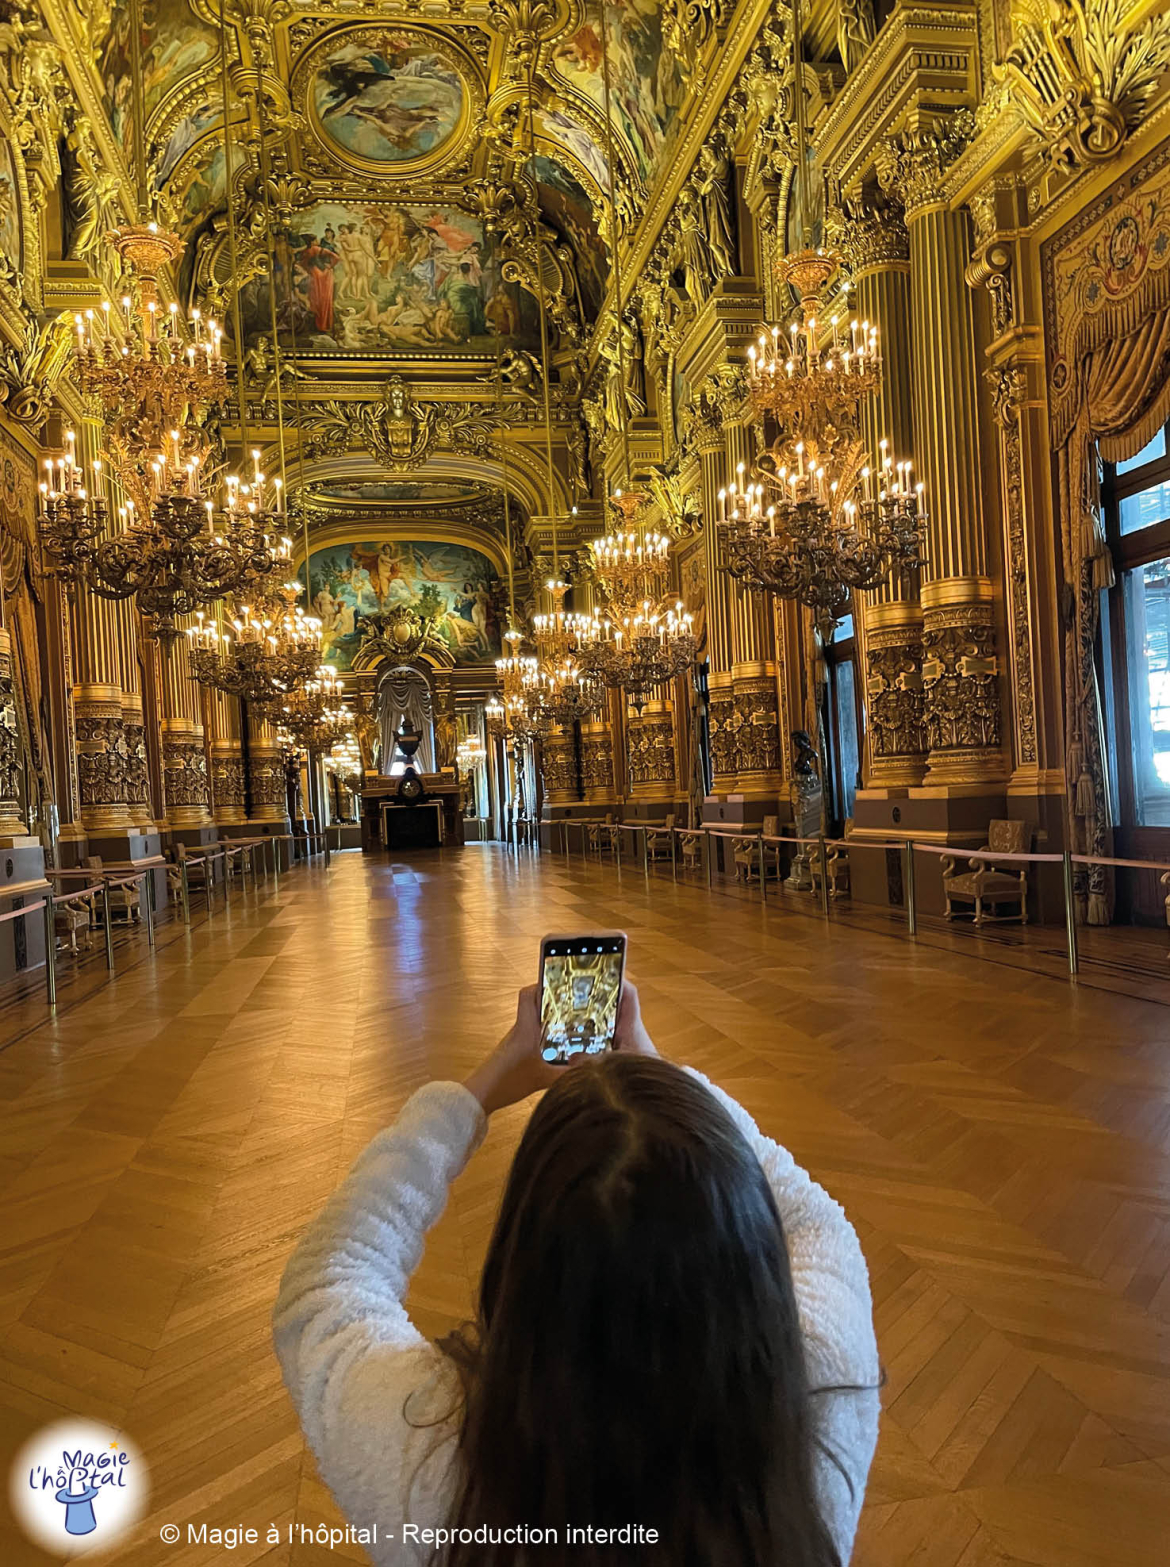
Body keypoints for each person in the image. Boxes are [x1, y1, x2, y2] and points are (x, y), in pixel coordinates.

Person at [273, 983, 880, 1566]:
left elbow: (328, 1284)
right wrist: (670, 1090)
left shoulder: (428, 1461)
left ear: (523, 1254)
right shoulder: (818, 1435)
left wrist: (479, 1091)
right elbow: (817, 1224)